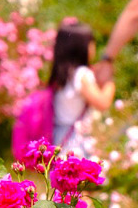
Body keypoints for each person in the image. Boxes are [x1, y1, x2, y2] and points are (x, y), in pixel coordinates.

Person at [49, 18, 115, 151]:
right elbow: (102, 103)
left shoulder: (63, 73)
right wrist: (109, 81)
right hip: (75, 141)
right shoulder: (81, 74)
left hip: (59, 136)